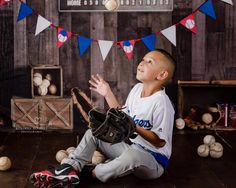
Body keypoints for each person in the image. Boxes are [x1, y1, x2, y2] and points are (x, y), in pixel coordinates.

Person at [30, 48, 176, 187]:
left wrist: (134, 126)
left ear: (162, 75)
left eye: (149, 61)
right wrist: (107, 93)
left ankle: (89, 173)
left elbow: (160, 142)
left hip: (153, 162)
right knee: (94, 132)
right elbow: (122, 115)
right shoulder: (137, 89)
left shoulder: (162, 103)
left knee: (133, 155)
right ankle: (69, 167)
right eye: (143, 59)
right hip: (131, 148)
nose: (142, 62)